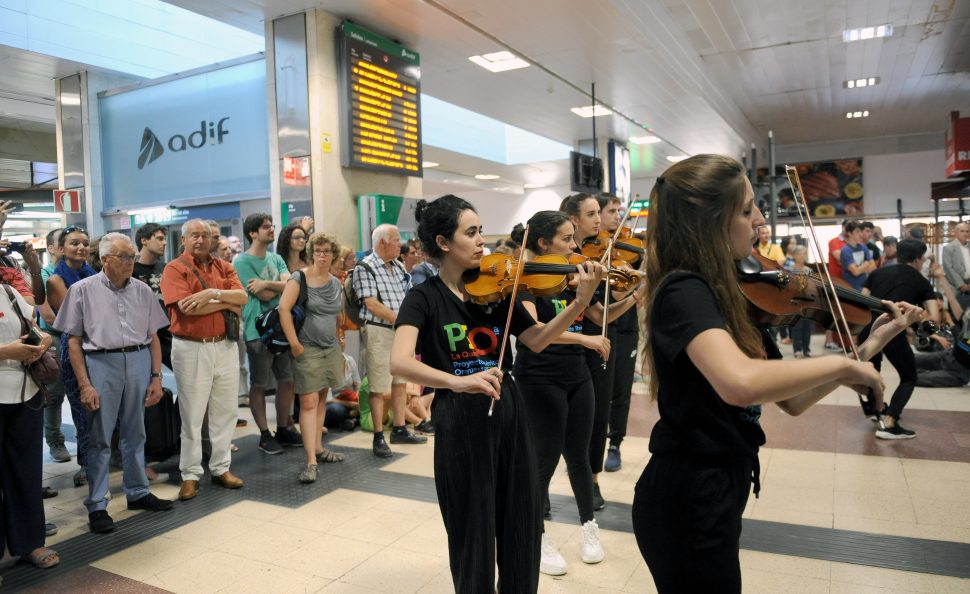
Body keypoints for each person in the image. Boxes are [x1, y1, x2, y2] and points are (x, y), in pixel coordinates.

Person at [632, 154, 921, 593]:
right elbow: (740, 383)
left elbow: (793, 400)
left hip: (720, 487)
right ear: (711, 220)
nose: (760, 220)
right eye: (748, 209)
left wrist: (867, 349)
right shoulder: (683, 290)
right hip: (687, 494)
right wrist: (842, 363)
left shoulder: (733, 295)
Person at [389, 194, 605, 593]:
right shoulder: (425, 297)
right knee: (472, 532)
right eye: (470, 233)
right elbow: (399, 362)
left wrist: (579, 302)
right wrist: (456, 381)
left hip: (508, 410)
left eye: (481, 231)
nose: (481, 241)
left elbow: (538, 339)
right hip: (460, 419)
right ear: (443, 243)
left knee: (520, 523)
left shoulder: (500, 292)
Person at [509, 211, 636, 576]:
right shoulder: (526, 282)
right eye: (567, 239)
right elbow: (534, 333)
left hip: (577, 376)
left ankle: (588, 528)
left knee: (579, 456)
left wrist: (635, 295)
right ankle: (539, 534)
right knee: (544, 461)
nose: (575, 247)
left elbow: (600, 316)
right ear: (544, 243)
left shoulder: (570, 276)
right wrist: (583, 337)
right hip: (539, 381)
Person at [54, 233, 174, 532]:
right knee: (99, 437)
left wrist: (156, 377)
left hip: (138, 360)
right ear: (105, 259)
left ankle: (138, 492)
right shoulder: (82, 290)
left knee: (136, 432)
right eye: (124, 257)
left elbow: (153, 337)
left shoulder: (142, 290)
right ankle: (97, 505)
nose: (131, 261)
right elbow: (73, 342)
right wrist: (85, 384)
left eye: (132, 256)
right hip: (101, 362)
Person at [160, 219, 249, 501]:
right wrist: (227, 303)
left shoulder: (224, 266)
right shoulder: (174, 268)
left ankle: (221, 467)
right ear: (183, 240)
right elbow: (187, 310)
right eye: (194, 236)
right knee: (192, 415)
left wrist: (212, 294)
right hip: (191, 348)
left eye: (206, 236)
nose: (200, 240)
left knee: (226, 411)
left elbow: (243, 297)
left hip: (225, 346)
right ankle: (189, 474)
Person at [0, 276, 59, 568]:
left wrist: (41, 343)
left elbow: (35, 330)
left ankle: (29, 543)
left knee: (26, 472)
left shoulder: (9, 292)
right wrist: (5, 352)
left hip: (24, 393)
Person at [353, 223, 426, 457]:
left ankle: (400, 428)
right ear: (382, 242)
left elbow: (408, 294)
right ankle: (377, 436)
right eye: (396, 240)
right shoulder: (365, 267)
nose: (400, 244)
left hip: (399, 330)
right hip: (379, 331)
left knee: (400, 380)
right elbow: (371, 303)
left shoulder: (398, 266)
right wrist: (402, 319)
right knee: (377, 385)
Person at [279, 232, 346, 483]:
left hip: (330, 348)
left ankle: (318, 447)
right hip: (306, 347)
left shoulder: (335, 282)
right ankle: (310, 461)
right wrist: (294, 343)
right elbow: (283, 309)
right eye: (317, 251)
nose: (321, 255)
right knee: (307, 402)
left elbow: (336, 315)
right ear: (311, 253)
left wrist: (339, 337)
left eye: (326, 251)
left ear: (333, 255)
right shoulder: (300, 278)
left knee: (320, 399)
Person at [859, 239, 940, 439]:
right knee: (909, 376)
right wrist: (922, 327)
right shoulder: (921, 281)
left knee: (871, 373)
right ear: (919, 259)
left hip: (868, 328)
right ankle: (890, 421)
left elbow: (862, 300)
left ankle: (876, 411)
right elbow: (934, 317)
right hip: (892, 331)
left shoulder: (877, 273)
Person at [234, 213, 300, 454]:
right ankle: (264, 434)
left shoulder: (276, 258)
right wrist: (278, 287)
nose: (271, 230)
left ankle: (283, 428)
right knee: (260, 383)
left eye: (272, 226)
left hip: (282, 326)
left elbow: (292, 284)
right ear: (253, 233)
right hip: (257, 329)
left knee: (287, 379)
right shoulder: (241, 262)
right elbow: (261, 295)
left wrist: (266, 284)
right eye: (265, 227)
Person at [46, 225, 97, 487]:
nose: (81, 247)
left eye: (85, 243)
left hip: (99, 346)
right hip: (75, 347)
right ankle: (86, 465)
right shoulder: (56, 280)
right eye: (74, 243)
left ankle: (101, 459)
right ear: (62, 248)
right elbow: (76, 318)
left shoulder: (95, 274)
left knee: (102, 408)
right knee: (80, 408)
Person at [37, 228, 71, 463]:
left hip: (78, 337)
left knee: (81, 393)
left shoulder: (80, 272)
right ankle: (55, 442)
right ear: (52, 248)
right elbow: (48, 317)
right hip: (56, 338)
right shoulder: (43, 275)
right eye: (65, 242)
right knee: (55, 394)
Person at [133, 223, 171, 369]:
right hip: (143, 334)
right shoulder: (131, 270)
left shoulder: (166, 268)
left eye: (165, 239)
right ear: (144, 241)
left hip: (167, 332)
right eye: (160, 239)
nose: (164, 243)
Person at [786, 245, 815, 358]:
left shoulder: (809, 270)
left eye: (804, 253)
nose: (801, 256)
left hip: (808, 301)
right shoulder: (790, 268)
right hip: (794, 301)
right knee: (796, 326)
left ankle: (806, 349)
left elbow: (812, 285)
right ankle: (797, 350)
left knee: (807, 327)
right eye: (799, 253)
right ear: (794, 255)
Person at [840, 220, 875, 292]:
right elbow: (855, 272)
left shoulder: (863, 247)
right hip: (851, 289)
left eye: (860, 231)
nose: (860, 234)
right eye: (857, 231)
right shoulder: (846, 250)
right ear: (849, 233)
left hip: (865, 287)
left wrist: (860, 269)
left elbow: (873, 266)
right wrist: (866, 263)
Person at [942, 222, 970, 311]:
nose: (965, 234)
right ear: (956, 232)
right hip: (955, 285)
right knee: (958, 313)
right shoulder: (948, 248)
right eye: (962, 231)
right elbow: (948, 268)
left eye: (967, 231)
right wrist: (961, 285)